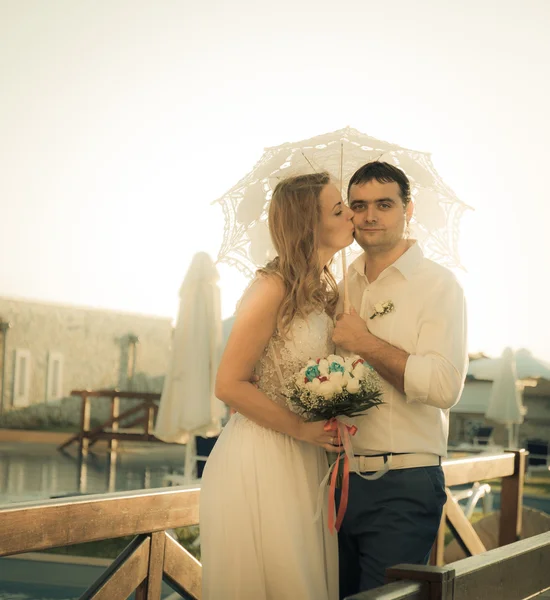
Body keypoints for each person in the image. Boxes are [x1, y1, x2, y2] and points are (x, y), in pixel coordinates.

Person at [200, 172, 355, 600]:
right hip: (262, 457)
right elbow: (228, 384)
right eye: (339, 208)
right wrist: (303, 429)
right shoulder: (271, 287)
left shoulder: (325, 292)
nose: (351, 215)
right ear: (309, 223)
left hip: (305, 459)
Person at [332, 161, 468, 596]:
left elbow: (445, 387)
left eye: (384, 204)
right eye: (359, 205)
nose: (370, 215)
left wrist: (365, 342)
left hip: (403, 483)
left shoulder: (438, 285)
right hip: (335, 482)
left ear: (409, 210)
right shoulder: (340, 284)